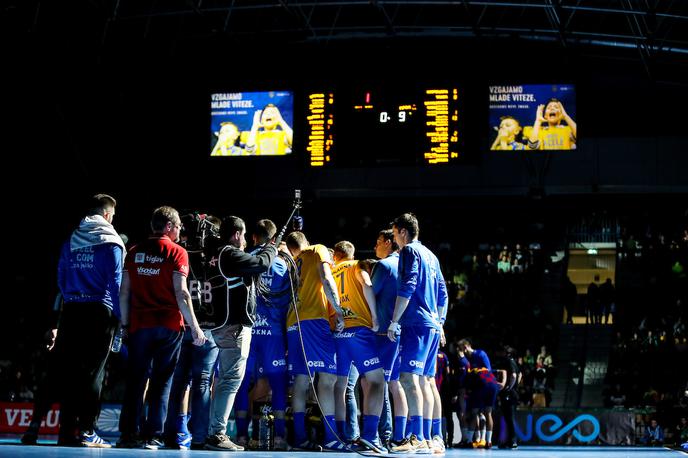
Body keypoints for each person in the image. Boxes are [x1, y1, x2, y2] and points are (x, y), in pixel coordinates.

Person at [35, 194, 125, 447]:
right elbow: (116, 284)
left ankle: (66, 433)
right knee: (94, 375)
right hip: (100, 312)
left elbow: (61, 277)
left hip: (73, 311)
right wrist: (121, 318)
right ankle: (87, 431)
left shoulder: (72, 239)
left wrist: (70, 299)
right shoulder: (112, 243)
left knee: (70, 372)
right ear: (107, 215)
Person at [117, 206, 207, 449]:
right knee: (161, 381)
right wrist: (195, 327)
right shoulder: (178, 252)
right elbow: (182, 292)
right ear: (169, 226)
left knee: (136, 380)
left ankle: (127, 435)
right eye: (178, 227)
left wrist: (125, 325)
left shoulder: (134, 252)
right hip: (168, 326)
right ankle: (153, 436)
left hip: (139, 326)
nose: (179, 231)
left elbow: (124, 292)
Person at [203, 216, 278, 451]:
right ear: (236, 234)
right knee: (229, 381)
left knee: (224, 379)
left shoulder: (216, 253)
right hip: (234, 327)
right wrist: (272, 248)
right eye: (243, 235)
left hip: (221, 325)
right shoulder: (230, 253)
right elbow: (261, 263)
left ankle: (212, 432)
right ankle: (217, 434)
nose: (245, 240)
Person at [387, 213, 448, 454]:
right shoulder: (432, 255)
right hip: (432, 326)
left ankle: (418, 437)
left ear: (403, 232)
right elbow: (443, 293)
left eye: (394, 235)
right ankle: (433, 437)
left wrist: (394, 320)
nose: (394, 240)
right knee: (425, 382)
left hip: (416, 324)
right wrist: (440, 322)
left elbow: (408, 285)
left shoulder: (410, 251)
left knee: (408, 380)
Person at [163, 215, 221, 450]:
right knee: (202, 381)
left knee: (178, 381)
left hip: (182, 325)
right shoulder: (221, 257)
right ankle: (198, 435)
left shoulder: (178, 252)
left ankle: (172, 433)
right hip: (206, 328)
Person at [234, 219, 292, 451]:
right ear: (274, 237)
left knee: (241, 383)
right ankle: (279, 438)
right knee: (278, 385)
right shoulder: (283, 265)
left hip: (248, 331)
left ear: (255, 237)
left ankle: (240, 437)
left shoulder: (246, 260)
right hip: (273, 334)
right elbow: (289, 303)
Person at [284, 231, 345, 451]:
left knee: (301, 382)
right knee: (328, 379)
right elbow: (326, 277)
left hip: (293, 322)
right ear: (306, 242)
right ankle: (330, 437)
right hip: (313, 321)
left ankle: (300, 438)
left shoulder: (291, 263)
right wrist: (338, 310)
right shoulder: (316, 249)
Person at [330, 241, 386, 453]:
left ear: (335, 255)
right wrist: (374, 317)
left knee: (340, 386)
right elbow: (366, 284)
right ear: (351, 253)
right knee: (377, 381)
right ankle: (371, 436)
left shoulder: (330, 269)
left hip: (338, 332)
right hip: (359, 331)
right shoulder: (357, 265)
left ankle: (340, 437)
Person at [371, 229, 407, 449]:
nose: (375, 246)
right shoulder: (404, 265)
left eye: (377, 241)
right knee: (394, 383)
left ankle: (383, 435)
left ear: (387, 242)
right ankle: (399, 436)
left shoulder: (384, 266)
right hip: (401, 332)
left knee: (379, 383)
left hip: (384, 332)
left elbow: (368, 295)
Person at [495, 346, 521, 449]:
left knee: (509, 418)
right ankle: (510, 440)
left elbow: (514, 375)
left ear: (506, 353)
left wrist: (509, 387)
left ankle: (513, 441)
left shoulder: (509, 362)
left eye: (502, 352)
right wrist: (515, 386)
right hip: (512, 393)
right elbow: (520, 375)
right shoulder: (513, 361)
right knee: (507, 418)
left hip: (509, 394)